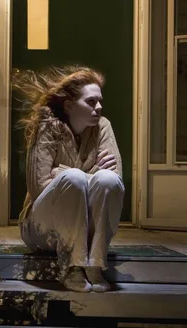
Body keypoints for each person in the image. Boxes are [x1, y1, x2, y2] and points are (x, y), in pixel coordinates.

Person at [13, 66, 124, 293]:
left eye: (100, 101)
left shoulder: (104, 127)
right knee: (74, 178)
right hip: (43, 229)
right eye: (91, 102)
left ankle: (94, 264)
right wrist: (80, 174)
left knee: (106, 181)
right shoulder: (47, 126)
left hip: (88, 229)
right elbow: (39, 187)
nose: (99, 107)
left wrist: (59, 171)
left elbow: (115, 182)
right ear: (70, 105)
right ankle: (72, 266)